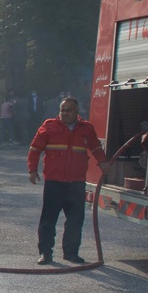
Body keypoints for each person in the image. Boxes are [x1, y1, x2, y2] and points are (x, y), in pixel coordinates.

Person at [28, 97, 111, 265]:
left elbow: (95, 147)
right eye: (62, 110)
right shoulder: (49, 126)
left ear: (77, 112)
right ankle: (45, 253)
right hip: (54, 182)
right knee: (48, 220)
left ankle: (71, 253)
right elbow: (35, 148)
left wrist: (103, 163)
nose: (65, 113)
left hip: (76, 183)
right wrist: (32, 170)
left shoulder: (86, 129)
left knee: (75, 219)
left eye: (69, 110)